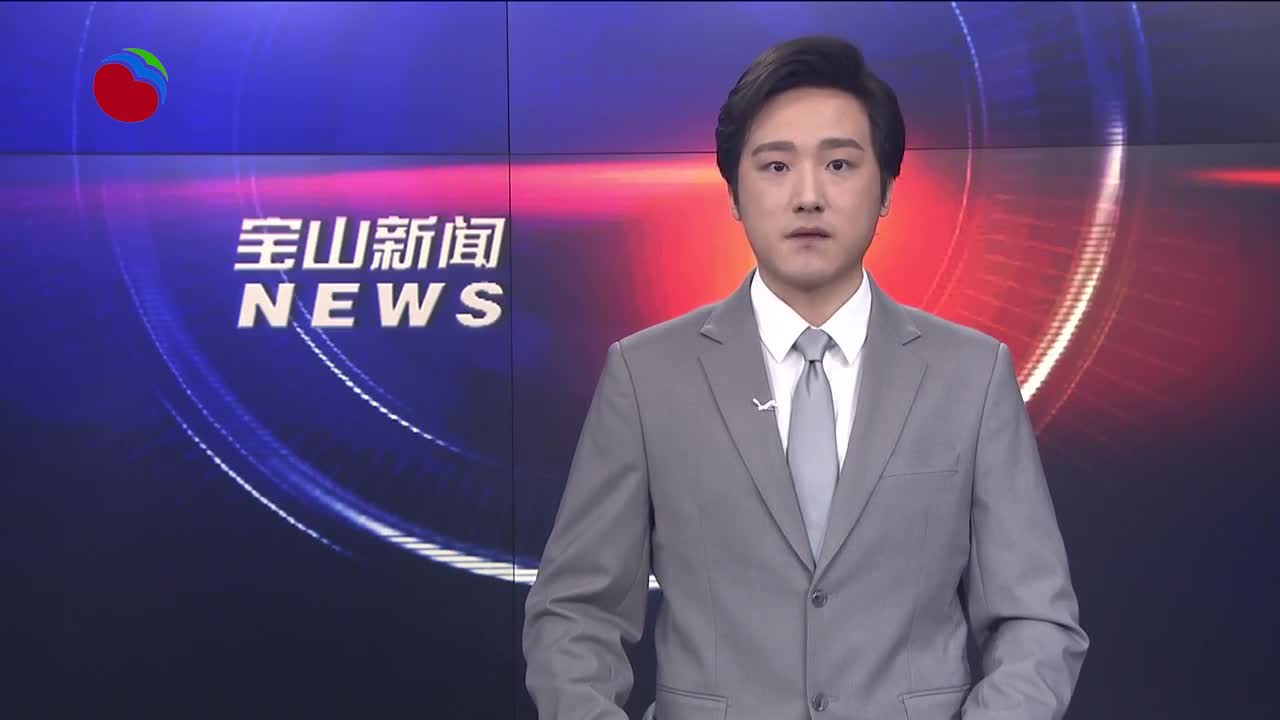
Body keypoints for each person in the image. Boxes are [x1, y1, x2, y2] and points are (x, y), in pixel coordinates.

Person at [522, 35, 1088, 720]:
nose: (808, 196)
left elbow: (1035, 620)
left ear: (887, 189)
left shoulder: (971, 374)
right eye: (776, 166)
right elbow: (574, 615)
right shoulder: (646, 375)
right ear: (734, 193)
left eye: (840, 164)